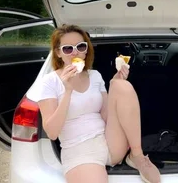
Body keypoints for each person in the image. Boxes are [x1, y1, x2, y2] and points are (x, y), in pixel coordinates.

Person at [31, 24, 161, 183]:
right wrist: (68, 91)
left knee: (121, 86)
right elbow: (52, 132)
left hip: (107, 141)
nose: (75, 52)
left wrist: (115, 84)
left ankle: (137, 156)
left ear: (86, 49)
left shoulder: (95, 76)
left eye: (80, 46)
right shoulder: (49, 82)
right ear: (58, 53)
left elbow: (107, 115)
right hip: (78, 151)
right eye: (68, 49)